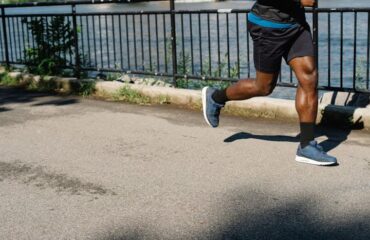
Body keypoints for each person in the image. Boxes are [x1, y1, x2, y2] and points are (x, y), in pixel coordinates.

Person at [202, 0, 337, 166]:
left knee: (309, 77)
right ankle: (216, 97)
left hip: (296, 24)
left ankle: (307, 145)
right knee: (264, 86)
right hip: (268, 26)